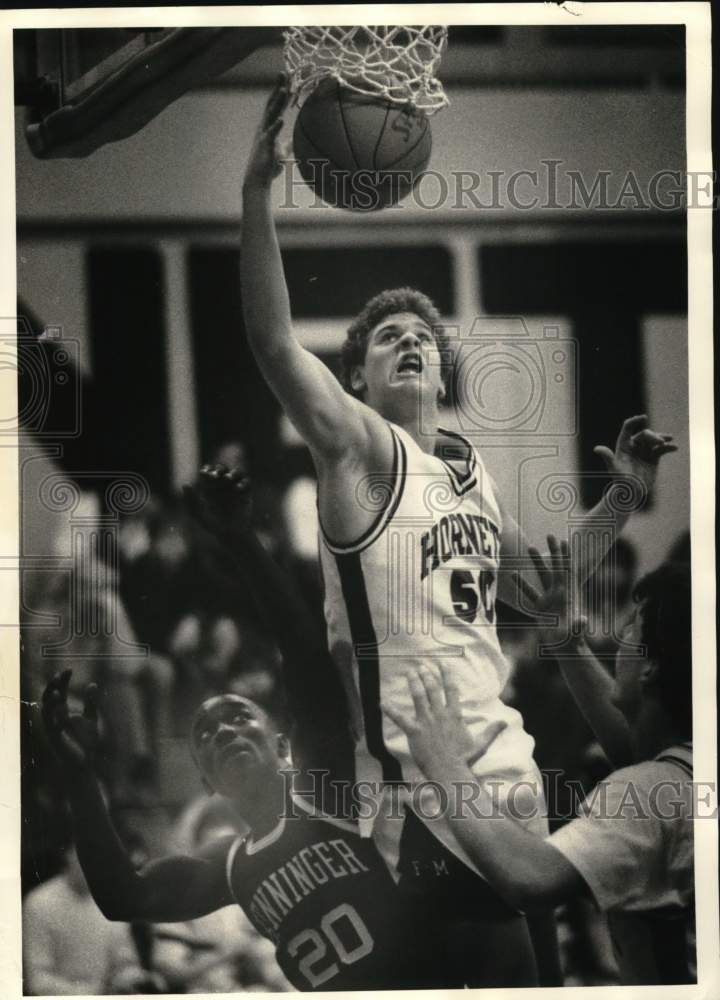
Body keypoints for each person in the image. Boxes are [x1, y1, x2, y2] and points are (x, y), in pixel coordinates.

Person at [239, 76, 677, 983]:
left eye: (421, 336)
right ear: (356, 381)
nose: (409, 341)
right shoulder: (360, 452)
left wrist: (621, 500)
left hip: (508, 767)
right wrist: (257, 193)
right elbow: (277, 346)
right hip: (424, 786)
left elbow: (543, 590)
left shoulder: (470, 472)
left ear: (442, 370)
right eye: (386, 337)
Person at [39, 471, 464, 991]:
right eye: (205, 734)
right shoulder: (230, 864)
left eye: (240, 717)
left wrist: (242, 541)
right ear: (207, 782)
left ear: (283, 744)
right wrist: (80, 776)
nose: (223, 731)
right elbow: (123, 896)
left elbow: (305, 659)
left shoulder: (327, 790)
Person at [385, 539, 694, 985]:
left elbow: (529, 878)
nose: (617, 642)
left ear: (650, 669)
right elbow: (633, 748)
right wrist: (568, 644)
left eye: (630, 631)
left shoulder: (648, 793)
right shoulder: (685, 764)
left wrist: (444, 766)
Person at [22, 841, 158, 995]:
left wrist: (138, 980)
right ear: (69, 855)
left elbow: (123, 963)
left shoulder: (113, 901)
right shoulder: (39, 903)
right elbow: (38, 982)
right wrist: (95, 992)